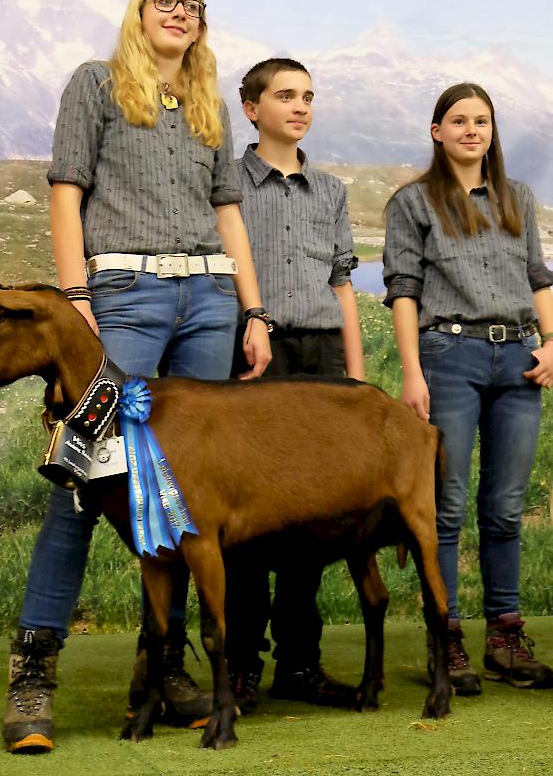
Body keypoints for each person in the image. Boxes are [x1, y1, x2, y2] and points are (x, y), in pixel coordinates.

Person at [2, 0, 272, 753]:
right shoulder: (94, 83)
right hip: (122, 294)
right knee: (81, 478)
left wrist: (252, 309)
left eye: (193, 6)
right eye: (166, 1)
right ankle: (32, 676)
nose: (179, 15)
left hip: (210, 302)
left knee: (185, 498)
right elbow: (65, 191)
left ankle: (162, 669)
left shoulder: (210, 103)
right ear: (138, 10)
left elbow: (228, 211)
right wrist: (76, 298)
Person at [383, 82, 553, 696]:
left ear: (491, 131)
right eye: (458, 121)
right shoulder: (414, 203)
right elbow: (402, 288)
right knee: (446, 506)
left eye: (481, 121)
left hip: (519, 360)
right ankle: (445, 637)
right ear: (437, 132)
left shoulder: (518, 198)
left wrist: (552, 342)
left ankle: (506, 637)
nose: (471, 130)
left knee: (505, 508)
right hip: (447, 355)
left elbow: (538, 276)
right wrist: (411, 371)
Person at [224, 57, 365, 713]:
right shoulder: (227, 180)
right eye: (285, 95)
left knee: (313, 514)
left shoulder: (331, 190)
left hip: (322, 357)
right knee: (252, 519)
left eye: (307, 96)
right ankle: (241, 665)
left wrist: (356, 379)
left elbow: (343, 285)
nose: (300, 106)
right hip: (256, 352)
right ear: (252, 108)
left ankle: (300, 662)